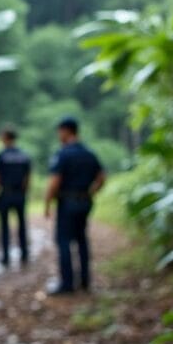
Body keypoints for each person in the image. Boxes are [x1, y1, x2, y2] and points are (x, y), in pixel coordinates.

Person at [43, 117, 106, 295]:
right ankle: (85, 281)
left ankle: (67, 284)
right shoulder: (89, 153)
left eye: (59, 131)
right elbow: (101, 177)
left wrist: (48, 203)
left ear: (65, 131)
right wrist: (91, 191)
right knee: (81, 240)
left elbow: (55, 182)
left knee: (63, 241)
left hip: (67, 202)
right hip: (85, 202)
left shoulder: (63, 154)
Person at [0, 126, 31, 265]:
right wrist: (24, 192)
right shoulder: (24, 155)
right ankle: (24, 254)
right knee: (22, 224)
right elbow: (27, 177)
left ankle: (6, 256)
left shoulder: (1, 155)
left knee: (4, 226)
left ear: (6, 137)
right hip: (20, 194)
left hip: (6, 193)